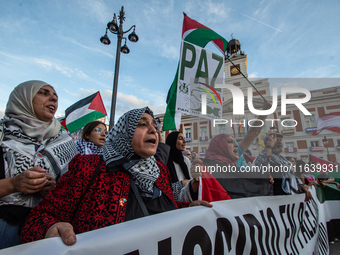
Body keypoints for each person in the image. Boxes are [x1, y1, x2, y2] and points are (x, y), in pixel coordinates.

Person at [21, 107, 211, 245]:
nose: (154, 130)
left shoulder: (159, 173)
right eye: (142, 124)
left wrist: (186, 208)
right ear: (123, 133)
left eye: (154, 126)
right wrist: (50, 230)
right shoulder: (89, 168)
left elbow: (159, 209)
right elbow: (38, 219)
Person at [0, 80, 77, 249]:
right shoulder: (2, 133)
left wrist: (50, 190)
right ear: (23, 98)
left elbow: (71, 194)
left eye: (56, 96)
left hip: (44, 231)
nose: (53, 99)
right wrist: (13, 184)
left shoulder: (65, 141)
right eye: (44, 93)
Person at [180, 133, 273, 202]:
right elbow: (182, 199)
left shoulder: (237, 169)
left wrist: (262, 180)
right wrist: (194, 184)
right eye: (230, 142)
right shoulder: (206, 168)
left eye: (235, 142)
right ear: (219, 147)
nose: (236, 144)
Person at [252, 133, 312, 201]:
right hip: (274, 201)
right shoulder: (266, 159)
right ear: (266, 143)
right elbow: (259, 164)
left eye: (280, 140)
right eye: (276, 140)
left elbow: (294, 178)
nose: (280, 141)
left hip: (290, 200)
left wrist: (302, 186)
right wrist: (269, 145)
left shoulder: (286, 162)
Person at [165, 132, 191, 200]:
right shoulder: (165, 161)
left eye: (184, 139)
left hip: (185, 199)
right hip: (171, 201)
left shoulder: (185, 160)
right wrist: (182, 184)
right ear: (172, 141)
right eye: (180, 139)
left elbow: (191, 181)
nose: (185, 141)